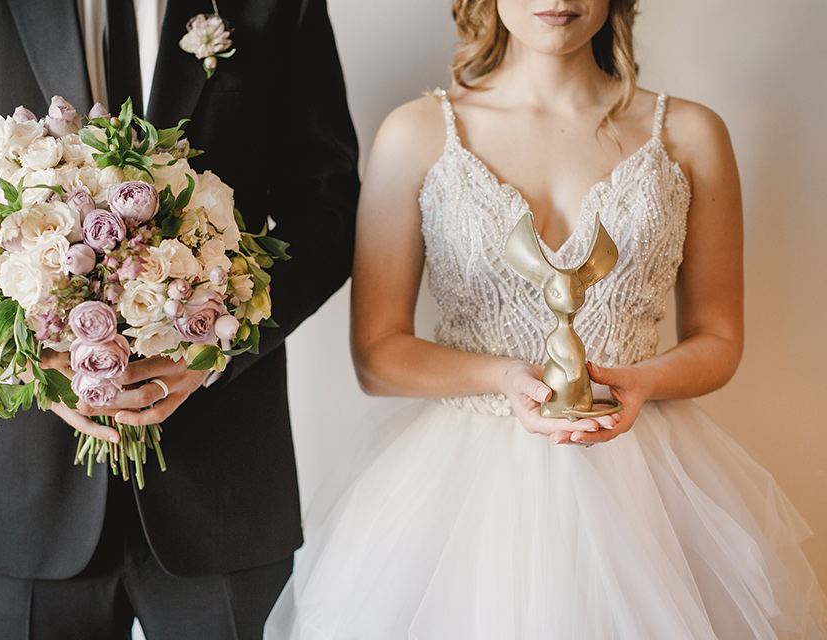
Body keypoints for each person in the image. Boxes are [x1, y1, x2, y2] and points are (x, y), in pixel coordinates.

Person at [264, 0, 827, 638]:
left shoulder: (691, 134)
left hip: (644, 492)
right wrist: (505, 378)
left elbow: (719, 339)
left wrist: (641, 382)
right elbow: (378, 355)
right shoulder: (417, 133)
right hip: (460, 503)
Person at [0, 0, 358, 638]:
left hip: (224, 489)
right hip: (30, 491)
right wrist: (13, 349)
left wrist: (219, 346)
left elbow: (327, 203)